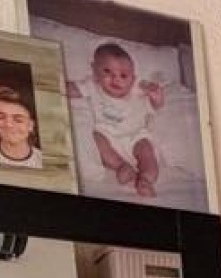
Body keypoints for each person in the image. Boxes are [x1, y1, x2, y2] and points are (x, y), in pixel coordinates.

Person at [68, 41, 165, 198]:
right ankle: (121, 166)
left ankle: (146, 179)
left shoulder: (138, 89)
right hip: (107, 135)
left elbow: (157, 106)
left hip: (136, 136)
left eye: (124, 75)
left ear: (133, 78)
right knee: (96, 138)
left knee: (147, 152)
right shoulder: (91, 85)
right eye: (107, 71)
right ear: (95, 71)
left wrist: (156, 96)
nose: (115, 78)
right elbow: (71, 89)